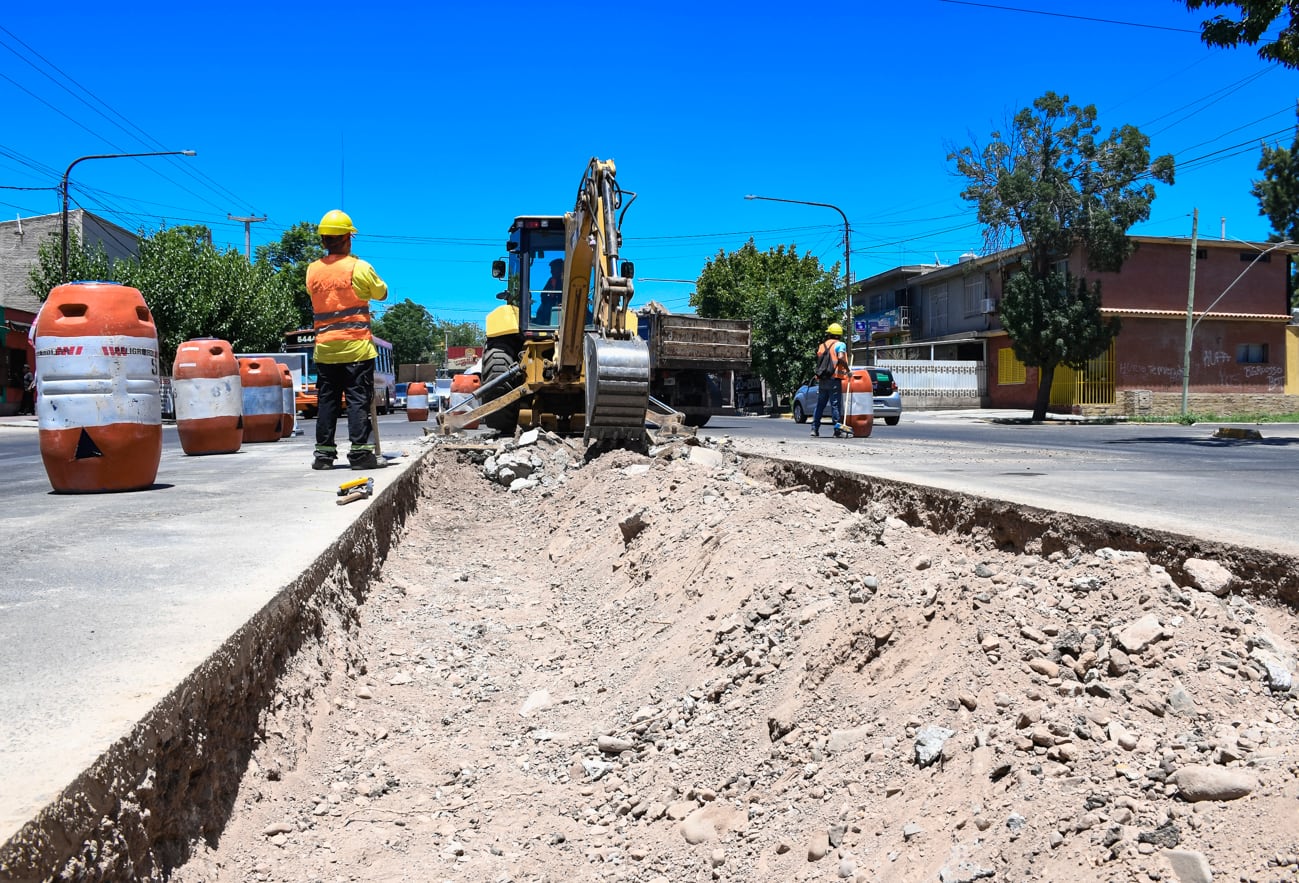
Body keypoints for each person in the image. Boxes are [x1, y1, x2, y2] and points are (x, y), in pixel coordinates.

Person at [305, 209, 390, 470]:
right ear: (348, 238)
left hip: (325, 349)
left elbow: (314, 295)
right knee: (357, 400)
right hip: (356, 347)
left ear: (323, 241)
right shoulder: (359, 267)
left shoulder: (312, 271)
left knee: (328, 402)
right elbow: (382, 292)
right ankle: (361, 455)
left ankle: (323, 456)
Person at [811, 322, 849, 438]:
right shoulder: (840, 345)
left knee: (820, 405)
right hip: (834, 379)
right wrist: (848, 369)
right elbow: (841, 357)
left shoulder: (822, 346)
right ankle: (837, 430)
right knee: (835, 405)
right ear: (839, 335)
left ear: (829, 334)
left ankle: (814, 429)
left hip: (823, 379)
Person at [534, 258, 563, 325]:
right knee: (542, 309)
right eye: (551, 269)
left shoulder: (565, 280)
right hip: (551, 303)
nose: (551, 271)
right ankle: (542, 323)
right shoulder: (551, 280)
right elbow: (543, 294)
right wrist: (549, 297)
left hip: (562, 305)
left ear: (560, 269)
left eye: (553, 269)